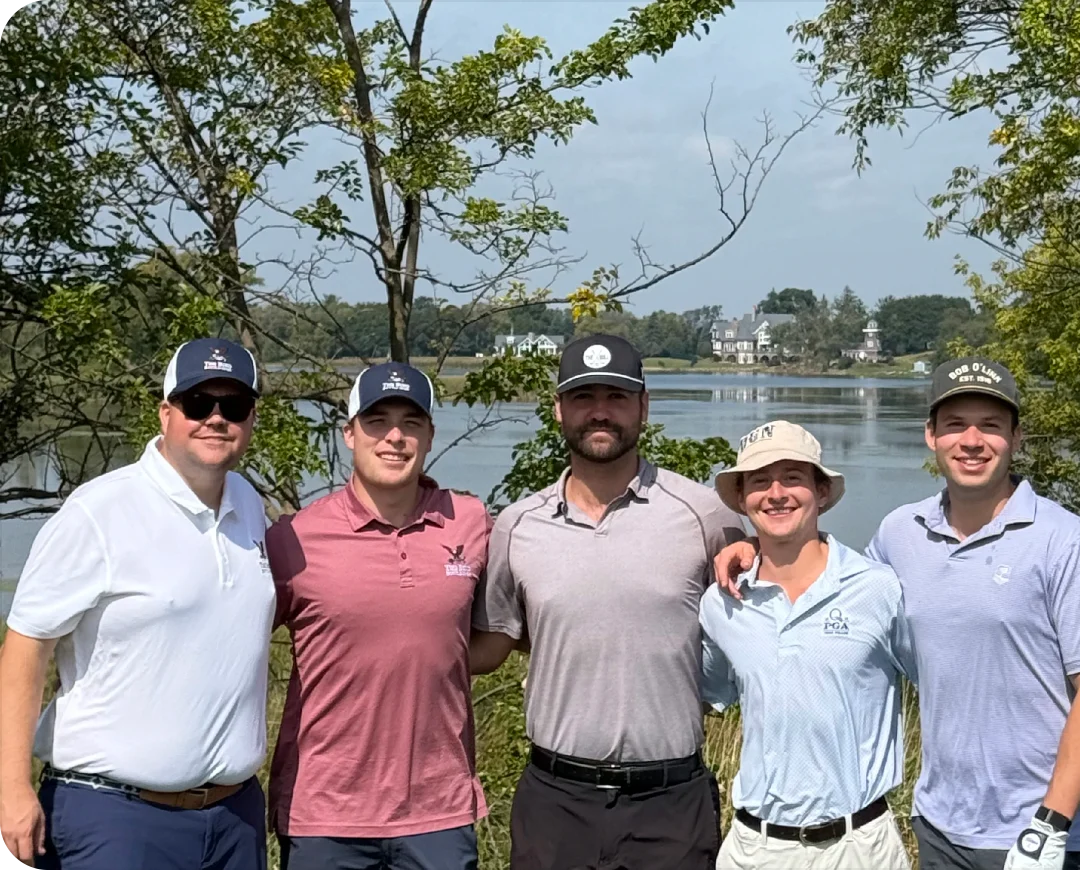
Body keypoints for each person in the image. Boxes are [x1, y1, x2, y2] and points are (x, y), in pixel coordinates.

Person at [714, 357, 1080, 870]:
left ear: (1017, 438)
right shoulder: (901, 534)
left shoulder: (1072, 545)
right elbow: (834, 592)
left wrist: (1051, 823)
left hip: (1049, 837)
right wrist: (753, 550)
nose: (972, 440)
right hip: (940, 825)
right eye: (956, 425)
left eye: (991, 425)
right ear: (931, 436)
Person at [470, 334, 747, 870]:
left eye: (617, 397)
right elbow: (497, 639)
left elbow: (765, 598)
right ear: (558, 409)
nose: (600, 412)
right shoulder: (517, 525)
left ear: (644, 406)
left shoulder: (704, 514)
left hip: (669, 803)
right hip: (556, 801)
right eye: (583, 397)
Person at [0, 337, 274, 870]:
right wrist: (11, 786)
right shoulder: (99, 512)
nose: (216, 418)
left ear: (251, 420)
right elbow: (26, 647)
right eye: (199, 403)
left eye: (233, 406)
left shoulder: (249, 505)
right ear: (166, 413)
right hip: (114, 817)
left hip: (233, 818)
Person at [266, 361, 493, 870]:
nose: (395, 437)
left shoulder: (471, 522)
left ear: (430, 435)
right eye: (377, 421)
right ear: (349, 433)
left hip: (439, 813)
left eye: (411, 423)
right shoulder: (294, 538)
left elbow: (510, 619)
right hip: (325, 815)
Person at [700, 420, 915, 870]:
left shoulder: (877, 588)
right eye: (759, 481)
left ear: (820, 492)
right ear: (742, 499)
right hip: (755, 849)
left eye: (793, 478)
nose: (776, 493)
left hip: (859, 847)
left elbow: (939, 685)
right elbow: (712, 693)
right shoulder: (722, 603)